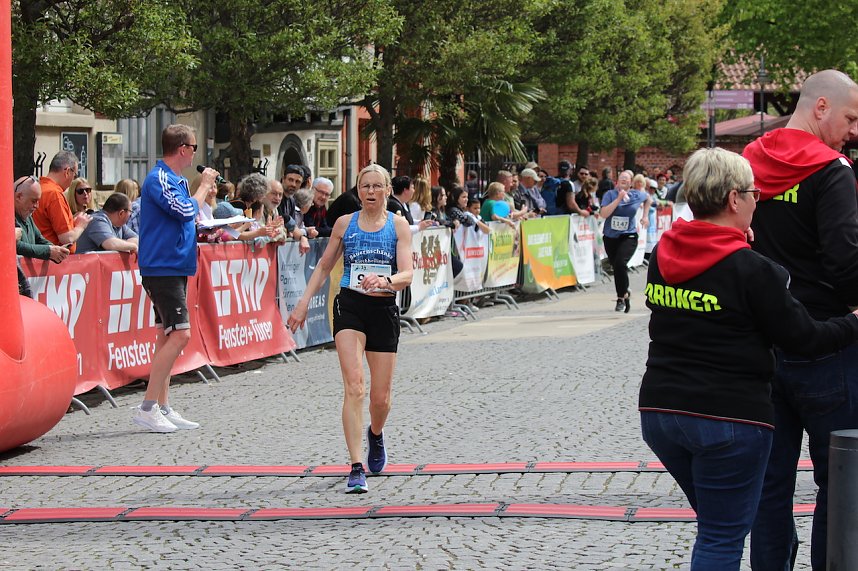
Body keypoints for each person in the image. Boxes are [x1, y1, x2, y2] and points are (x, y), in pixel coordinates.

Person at [639, 146, 858, 570]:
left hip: (661, 411)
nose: (759, 201)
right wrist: (852, 322)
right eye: (755, 194)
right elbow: (804, 338)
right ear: (734, 199)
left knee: (718, 523)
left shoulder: (663, 255)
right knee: (721, 537)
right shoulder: (754, 270)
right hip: (728, 417)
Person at [743, 69, 858, 570]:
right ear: (821, 107)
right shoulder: (832, 169)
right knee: (841, 477)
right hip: (828, 341)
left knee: (770, 480)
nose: (853, 131)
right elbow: (844, 259)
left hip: (763, 343)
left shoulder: (749, 160)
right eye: (850, 118)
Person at [287, 164, 413, 494]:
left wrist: (386, 280)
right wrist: (302, 303)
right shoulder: (345, 223)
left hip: (383, 309)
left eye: (376, 186)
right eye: (364, 186)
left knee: (381, 398)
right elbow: (324, 265)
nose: (370, 192)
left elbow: (408, 274)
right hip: (350, 307)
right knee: (355, 386)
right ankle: (356, 466)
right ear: (358, 191)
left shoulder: (398, 225)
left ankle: (375, 434)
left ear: (387, 190)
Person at [133, 124, 217, 433]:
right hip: (162, 267)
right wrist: (204, 187)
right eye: (194, 147)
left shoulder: (176, 180)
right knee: (180, 335)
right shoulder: (159, 178)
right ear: (183, 149)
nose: (195, 153)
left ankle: (162, 405)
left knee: (166, 336)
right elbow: (183, 210)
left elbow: (185, 218)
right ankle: (147, 408)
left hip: (175, 265)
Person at [599, 170, 651, 313]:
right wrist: (618, 199)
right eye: (621, 178)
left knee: (620, 263)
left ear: (631, 183)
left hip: (629, 236)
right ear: (617, 181)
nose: (624, 180)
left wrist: (645, 216)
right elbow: (603, 214)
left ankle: (621, 298)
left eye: (627, 179)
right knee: (617, 267)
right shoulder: (610, 195)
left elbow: (648, 199)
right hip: (610, 237)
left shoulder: (636, 195)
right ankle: (625, 291)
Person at [32, 151, 91, 251]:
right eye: (74, 176)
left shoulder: (39, 188)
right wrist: (81, 225)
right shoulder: (54, 194)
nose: (72, 180)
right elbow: (67, 238)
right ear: (67, 172)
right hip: (54, 256)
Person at [14, 175, 70, 264]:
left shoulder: (27, 217)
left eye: (38, 201)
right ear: (19, 197)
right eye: (33, 201)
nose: (36, 206)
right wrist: (49, 251)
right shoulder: (6, 217)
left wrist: (57, 250)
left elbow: (40, 239)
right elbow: (16, 246)